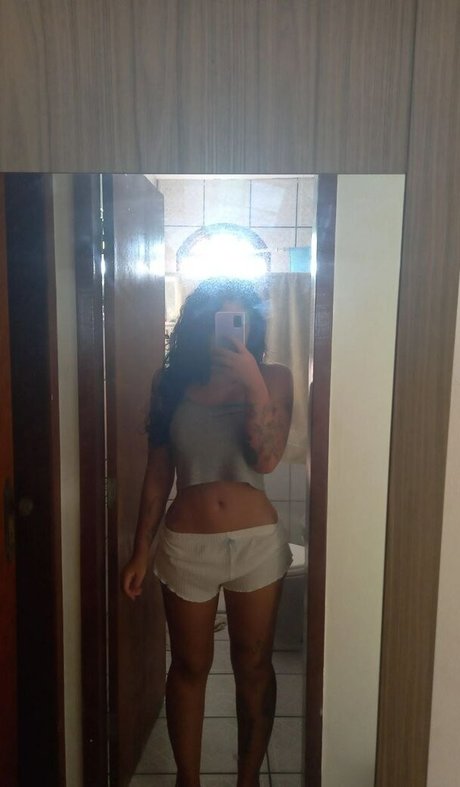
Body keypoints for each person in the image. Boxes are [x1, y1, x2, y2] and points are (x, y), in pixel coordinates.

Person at [122, 277, 293, 787]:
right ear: (199, 325)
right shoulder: (170, 381)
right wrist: (140, 549)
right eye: (222, 320)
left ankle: (247, 780)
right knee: (189, 667)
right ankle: (188, 780)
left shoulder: (274, 378)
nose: (234, 330)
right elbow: (158, 472)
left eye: (243, 320)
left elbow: (267, 459)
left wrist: (253, 383)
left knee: (254, 666)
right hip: (186, 549)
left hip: (258, 547)